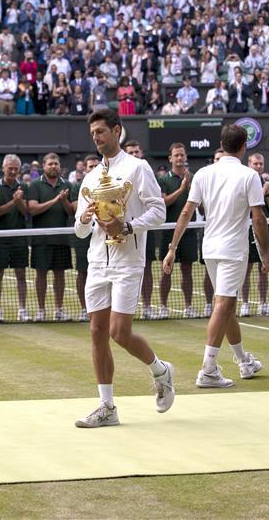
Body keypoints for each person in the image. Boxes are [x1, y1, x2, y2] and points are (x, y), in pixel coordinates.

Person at [74, 109, 174, 428]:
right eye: (93, 132)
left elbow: (159, 211)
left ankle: (160, 370)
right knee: (97, 331)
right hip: (97, 260)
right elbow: (78, 229)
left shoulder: (137, 167)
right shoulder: (90, 178)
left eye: (101, 131)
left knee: (119, 332)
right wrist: (85, 218)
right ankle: (107, 407)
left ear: (117, 131)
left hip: (128, 260)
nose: (96, 136)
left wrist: (128, 226)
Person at [163, 124, 269, 388]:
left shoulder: (203, 173)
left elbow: (186, 212)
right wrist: (265, 253)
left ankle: (243, 361)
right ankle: (208, 370)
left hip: (210, 249)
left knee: (227, 305)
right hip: (233, 250)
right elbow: (258, 218)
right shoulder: (249, 176)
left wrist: (172, 247)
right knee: (223, 304)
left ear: (223, 144)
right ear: (244, 147)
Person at [27, 153, 78, 321]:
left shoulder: (67, 185)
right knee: (41, 275)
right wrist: (55, 199)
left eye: (56, 164)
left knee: (60, 275)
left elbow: (72, 211)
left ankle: (59, 310)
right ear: (44, 165)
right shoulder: (35, 185)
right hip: (41, 239)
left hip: (61, 239)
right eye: (50, 164)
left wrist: (63, 200)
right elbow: (32, 209)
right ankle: (41, 310)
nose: (53, 166)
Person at [156, 143, 199, 319]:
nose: (180, 158)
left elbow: (202, 207)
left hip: (189, 232)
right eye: (176, 155)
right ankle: (163, 307)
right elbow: (163, 203)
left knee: (188, 271)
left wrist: (191, 191)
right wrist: (181, 189)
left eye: (182, 155)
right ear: (170, 158)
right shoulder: (163, 180)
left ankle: (189, 306)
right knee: (167, 270)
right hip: (169, 231)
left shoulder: (194, 178)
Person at [0, 154, 30, 322]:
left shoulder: (23, 186)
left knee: (21, 275)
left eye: (16, 169)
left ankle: (22, 309)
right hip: (0, 236)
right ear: (3, 168)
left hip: (19, 237)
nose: (13, 171)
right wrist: (14, 201)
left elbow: (26, 212)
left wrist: (19, 201)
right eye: (10, 168)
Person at [123, 141, 158, 319]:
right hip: (123, 234)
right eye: (131, 152)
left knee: (148, 268)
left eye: (137, 151)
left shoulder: (146, 172)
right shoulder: (121, 175)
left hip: (144, 231)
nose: (135, 154)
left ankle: (147, 306)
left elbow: (157, 208)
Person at [241, 152, 269, 316]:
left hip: (264, 228)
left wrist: (267, 193)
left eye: (261, 164)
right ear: (249, 164)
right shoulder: (243, 180)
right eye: (255, 164)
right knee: (246, 269)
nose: (258, 166)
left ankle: (263, 304)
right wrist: (260, 192)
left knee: (264, 268)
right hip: (246, 228)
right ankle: (245, 304)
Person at [73, 154, 100, 322]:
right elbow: (76, 209)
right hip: (84, 238)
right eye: (90, 166)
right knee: (82, 272)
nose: (93, 169)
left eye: (96, 166)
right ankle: (85, 308)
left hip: (104, 240)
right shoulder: (80, 186)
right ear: (84, 168)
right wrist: (85, 217)